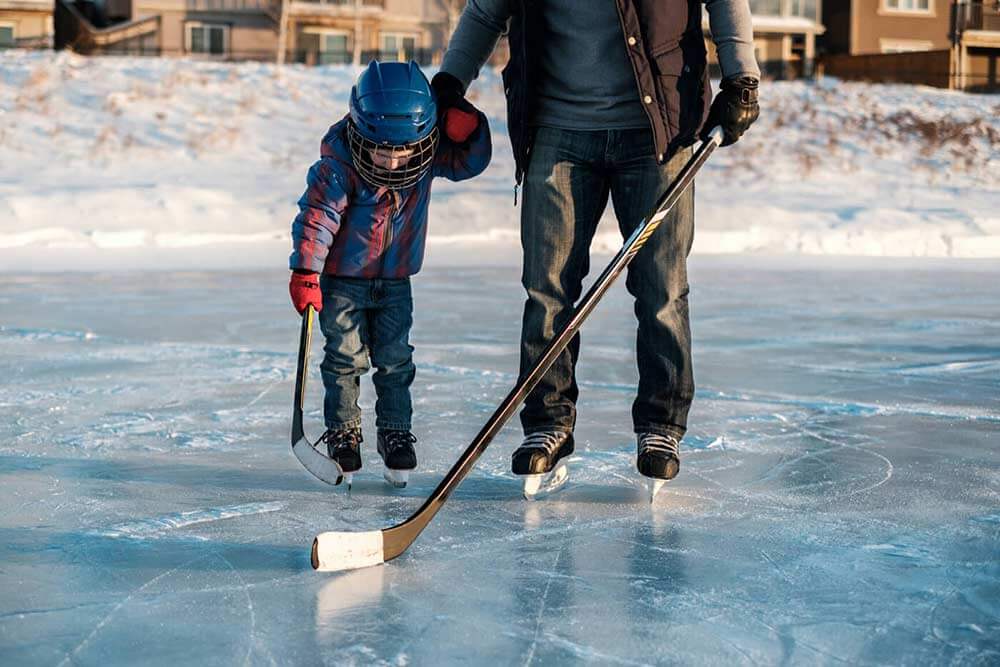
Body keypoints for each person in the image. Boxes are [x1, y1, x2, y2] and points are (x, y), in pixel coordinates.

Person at [433, 0, 761, 496]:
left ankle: (661, 427)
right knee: (547, 288)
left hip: (658, 134)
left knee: (662, 289)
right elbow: (484, 12)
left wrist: (743, 79)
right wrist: (449, 83)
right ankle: (547, 423)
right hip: (557, 130)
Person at [288, 60, 491, 487]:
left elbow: (468, 163)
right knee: (344, 361)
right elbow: (317, 218)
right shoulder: (338, 167)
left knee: (396, 362)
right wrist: (307, 270)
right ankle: (345, 433)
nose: (396, 162)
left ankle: (395, 432)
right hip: (343, 284)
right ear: (361, 134)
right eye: (384, 150)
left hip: (396, 283)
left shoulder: (426, 156)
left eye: (405, 151)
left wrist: (471, 130)